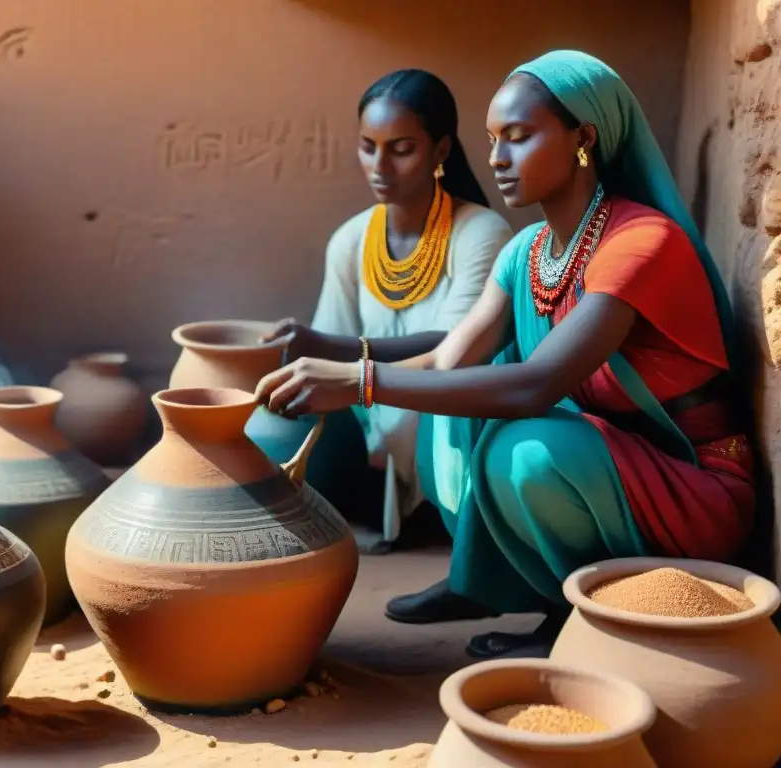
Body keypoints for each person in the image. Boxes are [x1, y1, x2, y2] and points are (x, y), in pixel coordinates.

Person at [256, 50, 756, 658]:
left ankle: (570, 620)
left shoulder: (642, 242)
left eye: (518, 137)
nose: (495, 158)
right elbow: (448, 361)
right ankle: (484, 580)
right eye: (493, 139)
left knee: (524, 450)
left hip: (689, 482)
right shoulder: (527, 251)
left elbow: (535, 385)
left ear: (583, 138)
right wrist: (342, 373)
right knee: (457, 400)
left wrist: (362, 381)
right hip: (605, 463)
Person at [264, 69, 513, 550]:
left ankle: (440, 515)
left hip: (444, 424)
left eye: (401, 148)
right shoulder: (352, 239)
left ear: (441, 151)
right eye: (367, 146)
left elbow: (454, 348)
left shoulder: (481, 233)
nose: (380, 165)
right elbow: (325, 360)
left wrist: (330, 349)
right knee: (275, 423)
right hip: (368, 431)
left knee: (439, 412)